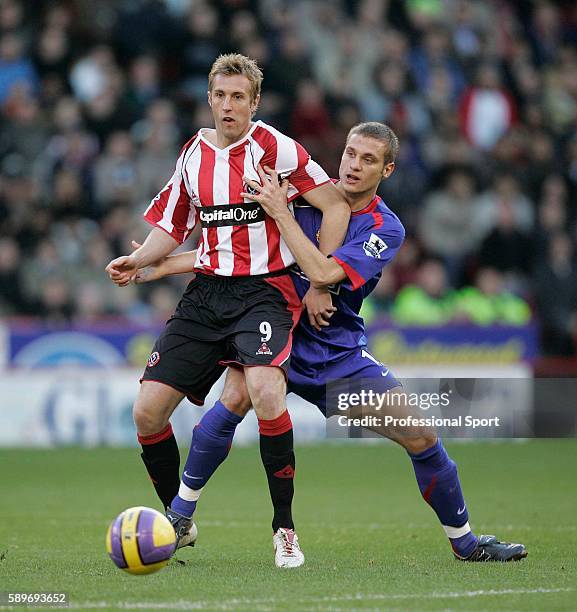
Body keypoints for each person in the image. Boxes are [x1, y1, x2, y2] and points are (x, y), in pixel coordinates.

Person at [126, 122, 527, 565]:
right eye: (351, 154)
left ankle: (466, 544)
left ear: (387, 169)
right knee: (236, 397)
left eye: (369, 159)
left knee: (421, 435)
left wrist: (285, 222)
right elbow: (240, 249)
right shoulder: (304, 191)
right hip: (271, 327)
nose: (354, 165)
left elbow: (324, 274)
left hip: (335, 353)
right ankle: (181, 515)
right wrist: (164, 265)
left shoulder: (385, 228)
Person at [106, 54, 350, 565]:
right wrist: (138, 258)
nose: (228, 105)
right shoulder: (194, 154)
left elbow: (334, 204)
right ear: (210, 98)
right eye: (220, 95)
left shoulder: (277, 148)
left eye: (239, 97)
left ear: (254, 102)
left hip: (266, 290)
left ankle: (284, 530)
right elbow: (173, 227)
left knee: (264, 392)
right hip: (207, 293)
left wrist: (321, 280)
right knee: (147, 412)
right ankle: (179, 519)